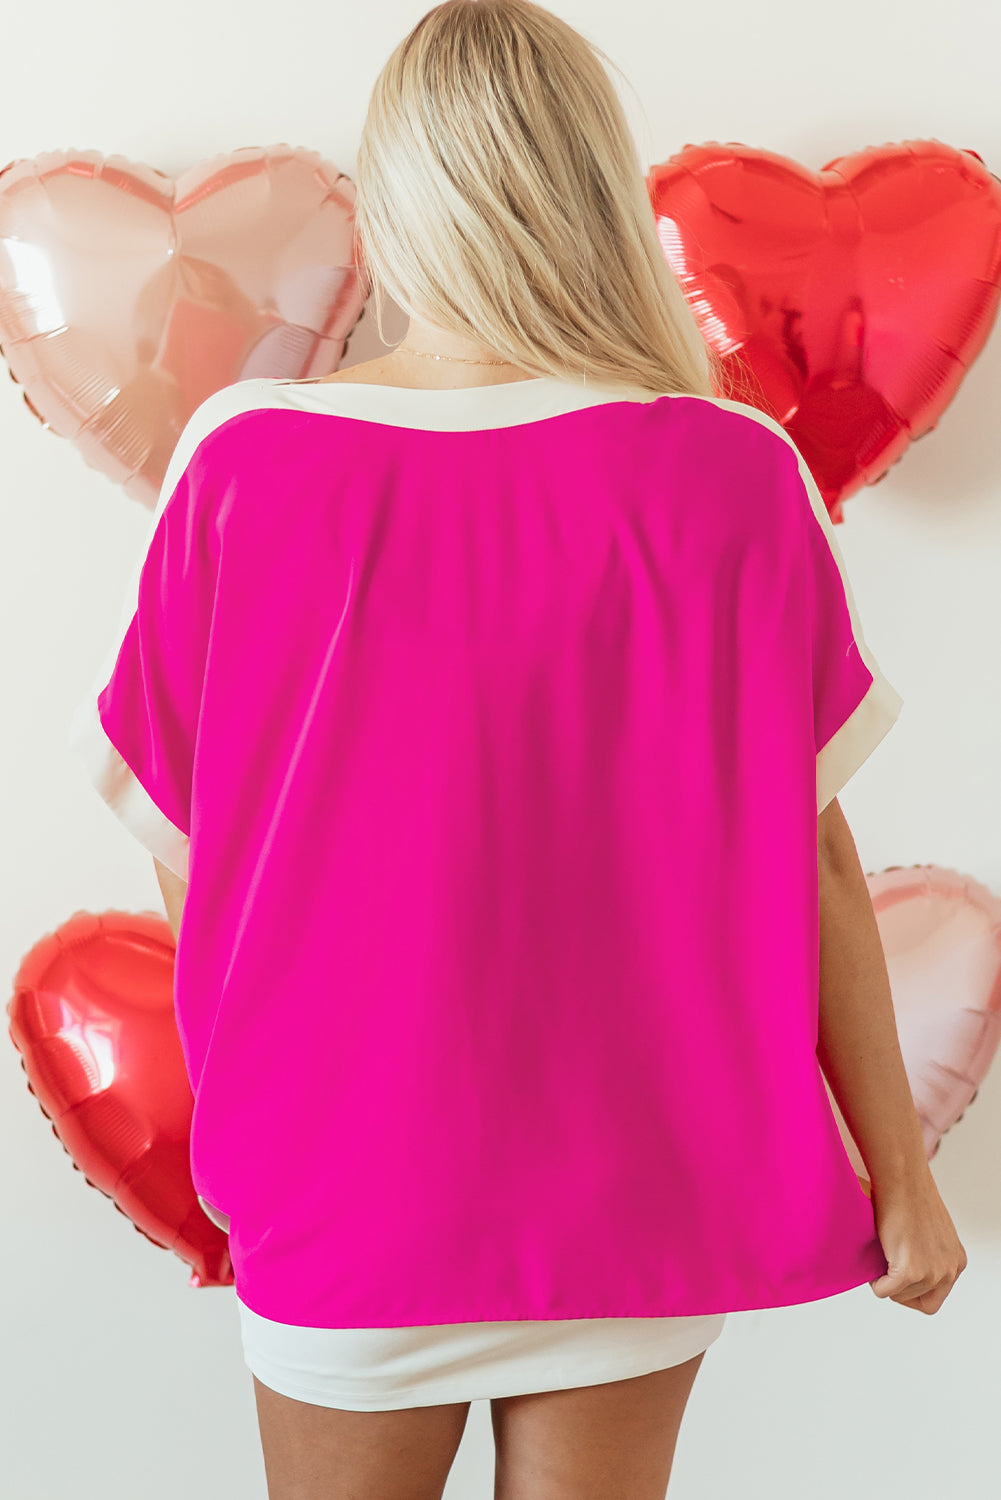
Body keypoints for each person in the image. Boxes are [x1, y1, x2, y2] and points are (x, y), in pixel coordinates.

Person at [68, 2, 967, 1497]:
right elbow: (813, 859)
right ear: (590, 183)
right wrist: (905, 1179)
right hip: (637, 1173)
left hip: (343, 1175)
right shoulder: (732, 469)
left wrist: (263, 1119)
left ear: (404, 192)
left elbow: (189, 850)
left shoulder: (243, 461)